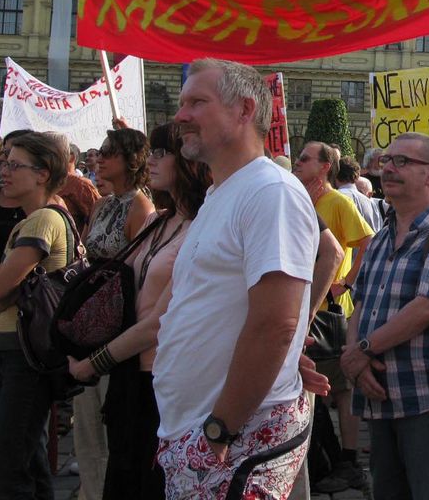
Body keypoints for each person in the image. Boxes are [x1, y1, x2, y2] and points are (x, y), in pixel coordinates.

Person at [154, 58, 318, 498]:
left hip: (232, 439)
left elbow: (275, 324)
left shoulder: (270, 191)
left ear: (245, 110)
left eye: (197, 102)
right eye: (182, 103)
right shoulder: (221, 192)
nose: (180, 115)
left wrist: (219, 428)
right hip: (198, 432)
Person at [65, 122, 211, 499]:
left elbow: (159, 321)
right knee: (122, 475)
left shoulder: (203, 227)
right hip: (129, 371)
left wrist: (93, 362)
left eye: (162, 153)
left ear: (190, 161)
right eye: (153, 153)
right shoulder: (156, 220)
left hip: (165, 376)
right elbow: (122, 289)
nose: (153, 161)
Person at [340, 133, 429, 500]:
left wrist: (362, 352)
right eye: (387, 160)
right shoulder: (382, 236)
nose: (388, 168)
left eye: (402, 161)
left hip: (425, 394)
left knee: (427, 492)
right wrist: (355, 358)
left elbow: (427, 308)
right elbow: (361, 301)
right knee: (386, 491)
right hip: (377, 390)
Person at [0, 131, 72, 499]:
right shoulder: (33, 219)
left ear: (42, 174)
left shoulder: (41, 221)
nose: (4, 171)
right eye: (5, 163)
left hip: (27, 354)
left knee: (8, 471)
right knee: (30, 461)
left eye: (15, 165)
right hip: (22, 350)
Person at [292, 141, 375, 491]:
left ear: (325, 167)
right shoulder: (299, 198)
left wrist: (346, 282)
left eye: (305, 158)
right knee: (316, 386)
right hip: (302, 308)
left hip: (331, 312)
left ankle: (349, 460)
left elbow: (367, 243)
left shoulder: (338, 201)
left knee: (341, 388)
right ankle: (321, 456)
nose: (297, 162)